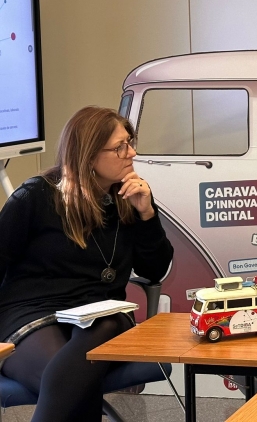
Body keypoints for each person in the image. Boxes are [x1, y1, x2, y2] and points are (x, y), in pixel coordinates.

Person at [0, 106, 174, 422]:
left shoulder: (130, 198)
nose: (132, 153)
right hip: (35, 313)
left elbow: (154, 270)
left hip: (102, 317)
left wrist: (147, 214)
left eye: (130, 143)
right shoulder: (36, 196)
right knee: (74, 384)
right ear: (89, 155)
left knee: (105, 326)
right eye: (120, 147)